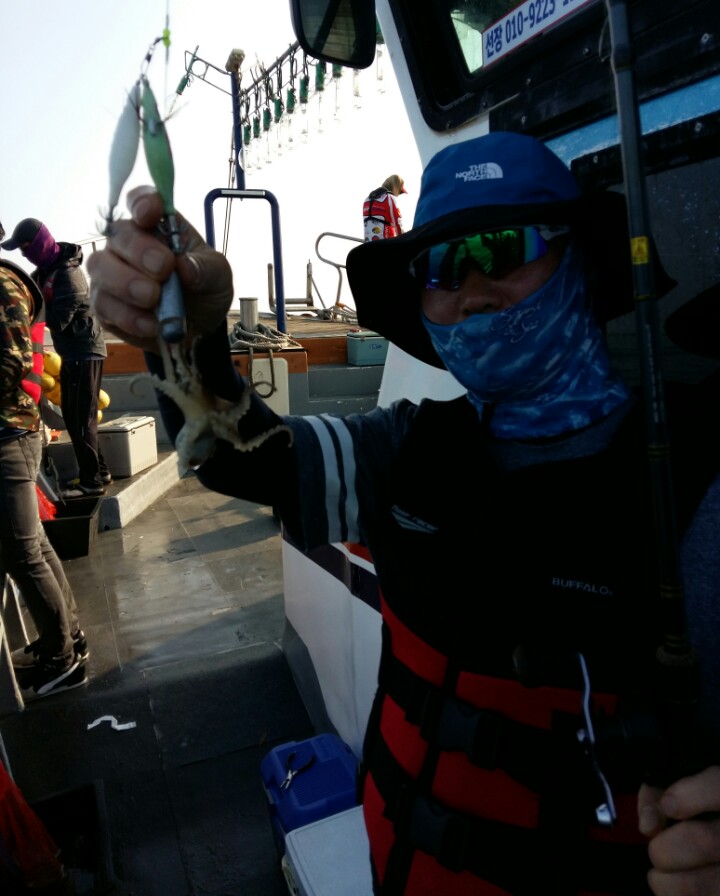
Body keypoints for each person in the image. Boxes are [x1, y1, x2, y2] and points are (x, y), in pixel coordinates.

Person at [87, 132, 720, 896]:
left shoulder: (693, 481)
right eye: (440, 267)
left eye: (502, 248)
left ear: (580, 261)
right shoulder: (404, 448)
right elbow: (240, 455)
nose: (472, 288)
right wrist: (186, 340)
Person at [0, 257, 88, 697]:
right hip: (17, 430)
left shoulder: (1, 284)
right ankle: (68, 638)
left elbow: (11, 359)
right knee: (32, 543)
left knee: (21, 553)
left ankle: (61, 662)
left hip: (8, 435)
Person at [1, 218, 110, 497]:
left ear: (40, 243)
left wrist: (18, 318)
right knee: (75, 416)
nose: (24, 254)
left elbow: (60, 319)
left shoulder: (69, 274)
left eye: (26, 247)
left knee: (81, 417)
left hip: (85, 351)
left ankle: (92, 482)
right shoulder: (43, 273)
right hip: (70, 352)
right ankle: (100, 471)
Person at [364, 174, 407, 242]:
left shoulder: (367, 199)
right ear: (396, 187)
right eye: (400, 192)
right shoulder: (390, 198)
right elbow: (398, 225)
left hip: (368, 245)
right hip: (386, 244)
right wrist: (406, 241)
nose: (398, 195)